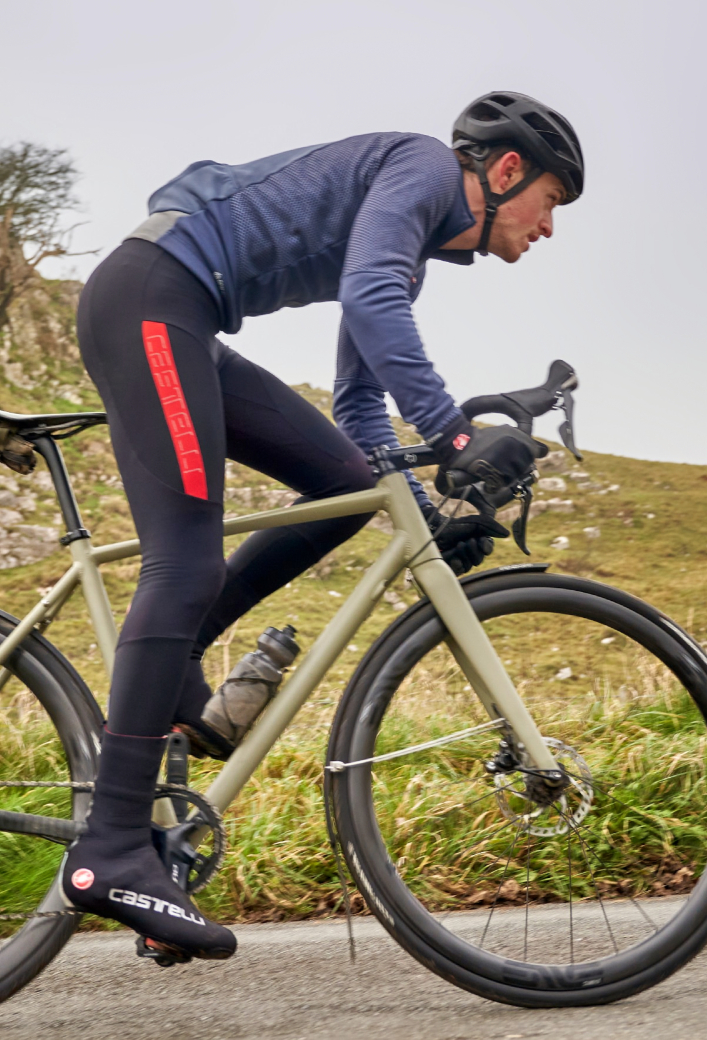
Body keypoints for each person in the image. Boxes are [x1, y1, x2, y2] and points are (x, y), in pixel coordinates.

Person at [61, 91, 585, 961]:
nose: (550, 228)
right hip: (153, 298)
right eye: (551, 203)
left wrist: (424, 509)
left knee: (339, 477)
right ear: (504, 172)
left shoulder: (410, 243)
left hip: (181, 309)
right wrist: (456, 437)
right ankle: (112, 846)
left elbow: (359, 412)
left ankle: (178, 693)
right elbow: (374, 305)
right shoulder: (420, 169)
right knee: (182, 566)